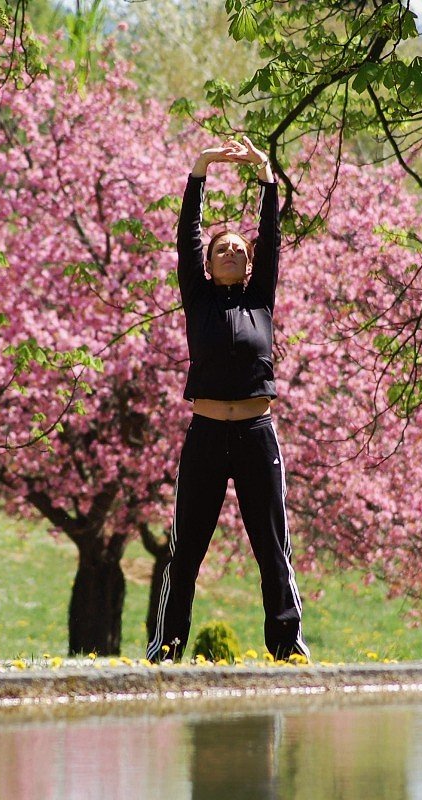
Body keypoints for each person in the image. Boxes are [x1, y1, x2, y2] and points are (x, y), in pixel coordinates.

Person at [146, 137, 309, 663]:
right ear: (209, 264)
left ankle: (287, 646)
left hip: (258, 435)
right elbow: (187, 236)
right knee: (186, 550)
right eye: (223, 249)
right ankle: (167, 648)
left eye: (240, 248)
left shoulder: (261, 297)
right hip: (207, 434)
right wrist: (200, 170)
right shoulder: (197, 298)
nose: (233, 252)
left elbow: (271, 238)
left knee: (272, 547)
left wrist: (266, 177)